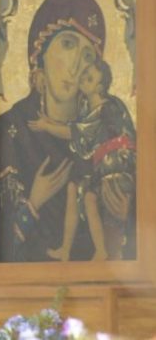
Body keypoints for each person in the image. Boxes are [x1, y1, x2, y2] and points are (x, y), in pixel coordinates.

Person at [0, 0, 135, 262]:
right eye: (68, 44)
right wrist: (32, 203)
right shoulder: (10, 131)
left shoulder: (108, 127)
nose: (75, 67)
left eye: (88, 56)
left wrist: (124, 213)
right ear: (39, 53)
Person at [28, 59, 136, 261]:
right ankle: (66, 250)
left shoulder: (107, 108)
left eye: (90, 78)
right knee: (73, 190)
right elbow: (76, 125)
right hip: (99, 165)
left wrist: (46, 127)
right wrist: (49, 121)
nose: (83, 79)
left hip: (113, 168)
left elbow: (75, 131)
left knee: (91, 199)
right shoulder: (87, 106)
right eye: (84, 75)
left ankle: (104, 251)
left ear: (100, 87)